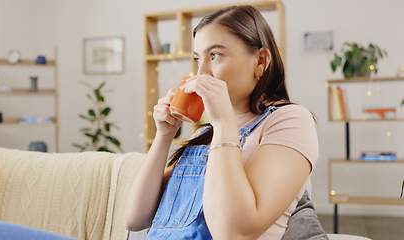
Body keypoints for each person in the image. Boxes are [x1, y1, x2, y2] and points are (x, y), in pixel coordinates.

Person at [123, 5, 319, 240]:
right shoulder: (204, 134)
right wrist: (164, 136)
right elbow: (134, 218)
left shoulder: (290, 120)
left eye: (215, 56)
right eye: (198, 59)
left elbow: (233, 233)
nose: (201, 72)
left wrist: (225, 125)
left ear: (260, 60)